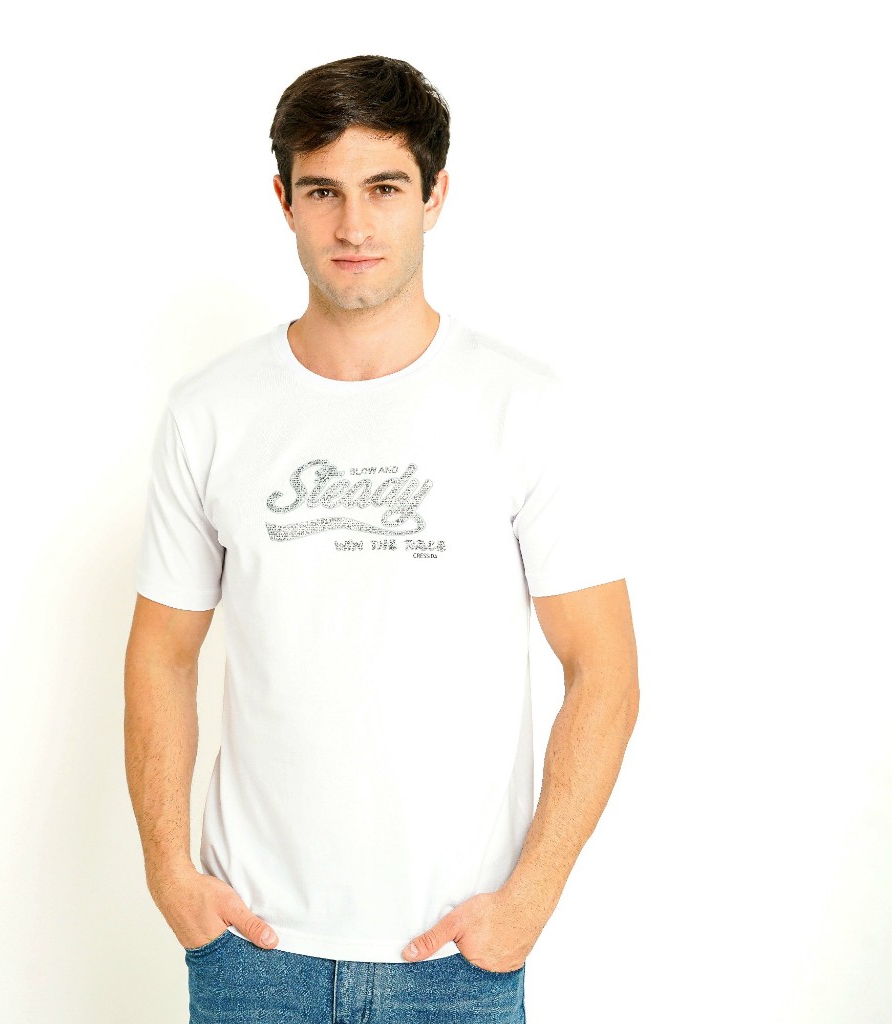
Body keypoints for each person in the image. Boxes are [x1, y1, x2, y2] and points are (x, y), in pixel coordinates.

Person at [124, 54, 639, 1024]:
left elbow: (603, 667)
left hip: (456, 956)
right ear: (283, 200)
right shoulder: (211, 413)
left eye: (385, 188)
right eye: (323, 190)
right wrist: (169, 875)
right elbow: (162, 650)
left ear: (435, 194)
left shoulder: (523, 409)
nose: (353, 226)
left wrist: (528, 902)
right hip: (252, 953)